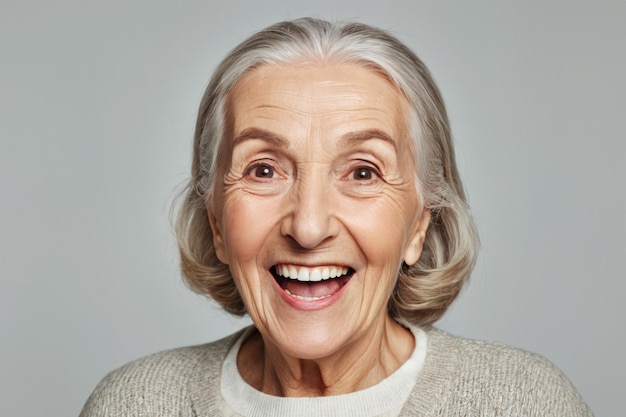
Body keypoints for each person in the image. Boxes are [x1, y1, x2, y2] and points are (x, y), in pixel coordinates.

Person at [80, 18, 594, 416]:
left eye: (363, 173)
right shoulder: (136, 403)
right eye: (263, 170)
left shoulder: (522, 402)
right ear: (215, 218)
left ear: (420, 223)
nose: (308, 226)